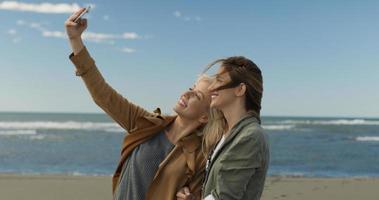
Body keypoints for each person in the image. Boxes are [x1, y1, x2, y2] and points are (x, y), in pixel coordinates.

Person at [65, 8, 217, 200]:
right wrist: (75, 40)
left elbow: (204, 194)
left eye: (197, 95)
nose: (187, 93)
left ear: (204, 117)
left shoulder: (200, 157)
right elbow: (103, 94)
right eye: (191, 87)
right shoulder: (147, 123)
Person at [177, 56, 270, 200]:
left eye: (219, 80)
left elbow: (225, 197)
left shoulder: (250, 136)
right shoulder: (226, 133)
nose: (211, 87)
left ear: (239, 89)